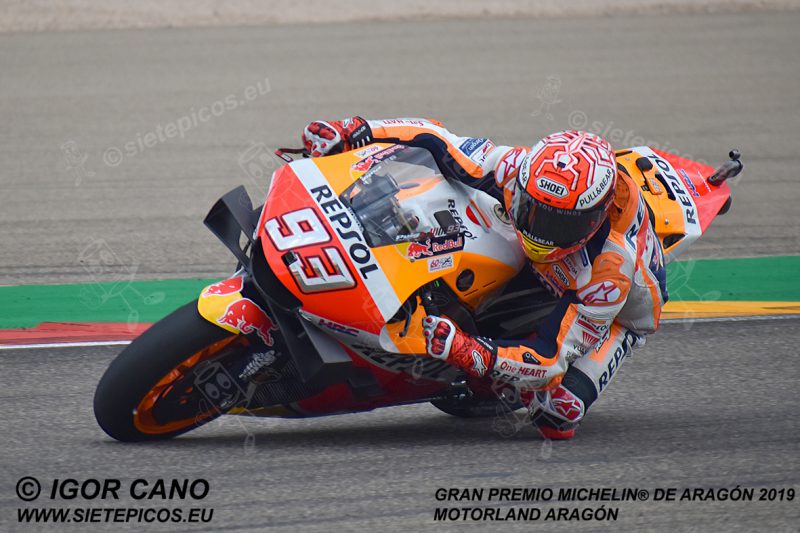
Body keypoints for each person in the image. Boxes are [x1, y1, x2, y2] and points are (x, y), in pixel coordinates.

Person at [301, 117, 667, 439]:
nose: (540, 230)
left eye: (558, 223)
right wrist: (358, 131)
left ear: (594, 219)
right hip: (549, 264)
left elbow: (549, 357)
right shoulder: (517, 169)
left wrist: (470, 352)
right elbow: (435, 137)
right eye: (532, 209)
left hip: (617, 315)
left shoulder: (609, 273)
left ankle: (513, 378)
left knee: (559, 411)